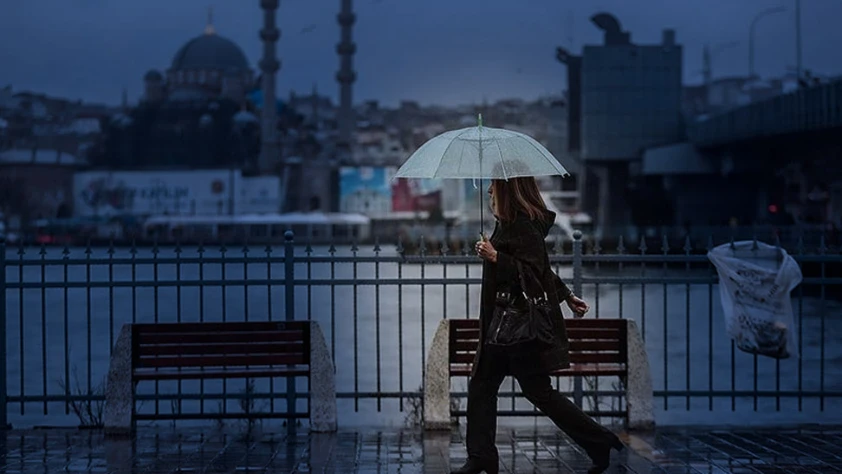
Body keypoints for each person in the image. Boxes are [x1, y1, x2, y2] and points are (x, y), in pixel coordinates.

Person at [452, 177, 623, 474]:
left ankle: (599, 441)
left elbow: (531, 272)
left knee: (535, 392)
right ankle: (481, 456)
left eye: (494, 185)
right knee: (484, 386)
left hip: (518, 327)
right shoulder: (508, 223)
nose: (490, 190)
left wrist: (496, 257)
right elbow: (541, 269)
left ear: (509, 188)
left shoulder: (522, 225)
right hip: (504, 326)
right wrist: (567, 295)